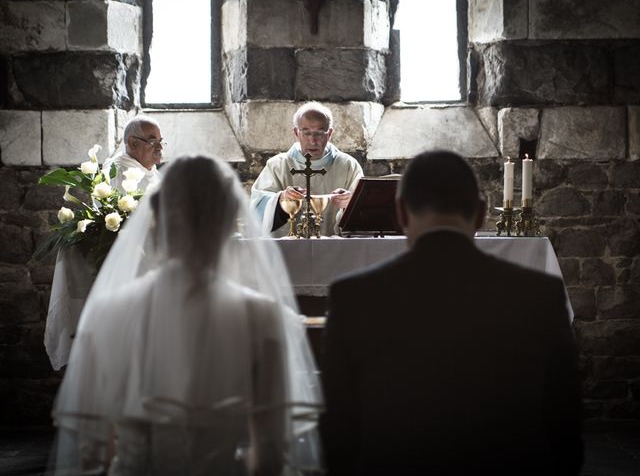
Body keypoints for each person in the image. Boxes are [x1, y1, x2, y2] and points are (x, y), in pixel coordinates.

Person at [50, 156, 323, 475]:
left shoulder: (107, 313)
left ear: (155, 218)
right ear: (231, 219)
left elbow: (93, 455)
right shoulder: (264, 317)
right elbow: (270, 458)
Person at [320, 150, 583, 475]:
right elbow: (564, 419)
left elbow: (339, 426)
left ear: (400, 213)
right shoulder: (540, 293)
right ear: (481, 214)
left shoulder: (353, 297)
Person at [251, 101, 363, 236]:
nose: (313, 140)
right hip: (289, 252)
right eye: (306, 133)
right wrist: (280, 199)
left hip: (334, 251)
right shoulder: (277, 165)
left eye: (319, 133)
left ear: (330, 134)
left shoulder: (348, 166)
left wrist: (350, 205)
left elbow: (363, 215)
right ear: (296, 133)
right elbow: (255, 211)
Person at [103, 114, 164, 193]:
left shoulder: (150, 170)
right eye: (153, 142)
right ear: (133, 143)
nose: (160, 147)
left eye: (160, 141)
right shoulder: (117, 175)